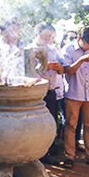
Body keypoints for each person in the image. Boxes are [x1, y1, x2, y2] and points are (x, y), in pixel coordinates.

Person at [61, 26, 89, 168]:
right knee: (71, 126)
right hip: (74, 93)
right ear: (80, 39)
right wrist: (81, 60)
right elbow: (68, 71)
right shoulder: (68, 50)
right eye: (88, 44)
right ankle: (69, 156)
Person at [30, 22, 65, 164]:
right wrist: (44, 67)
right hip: (35, 93)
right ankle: (34, 153)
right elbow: (27, 71)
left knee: (49, 124)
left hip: (51, 92)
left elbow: (64, 69)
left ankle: (47, 152)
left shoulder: (53, 50)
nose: (47, 38)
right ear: (36, 34)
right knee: (35, 125)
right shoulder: (29, 49)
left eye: (50, 36)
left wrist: (59, 67)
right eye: (44, 35)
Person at [0, 16, 26, 81]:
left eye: (16, 31)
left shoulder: (16, 49)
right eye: (12, 31)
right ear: (1, 32)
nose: (15, 35)